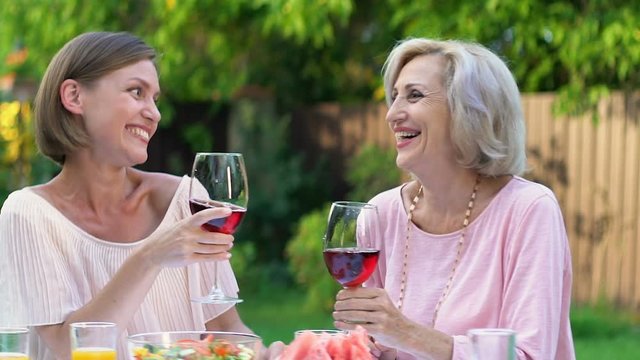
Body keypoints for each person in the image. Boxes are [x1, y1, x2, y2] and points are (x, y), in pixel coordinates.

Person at [0, 31, 277, 359]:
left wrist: (273, 354)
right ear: (74, 97)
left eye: (155, 99)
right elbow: (70, 348)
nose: (154, 113)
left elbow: (225, 330)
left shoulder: (185, 198)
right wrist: (151, 256)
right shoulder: (28, 213)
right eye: (136, 92)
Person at [331, 38, 576, 359]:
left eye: (414, 95)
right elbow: (369, 348)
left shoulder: (528, 210)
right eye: (393, 98)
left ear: (470, 111)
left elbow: (530, 355)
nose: (392, 114)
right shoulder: (382, 213)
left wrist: (405, 333)